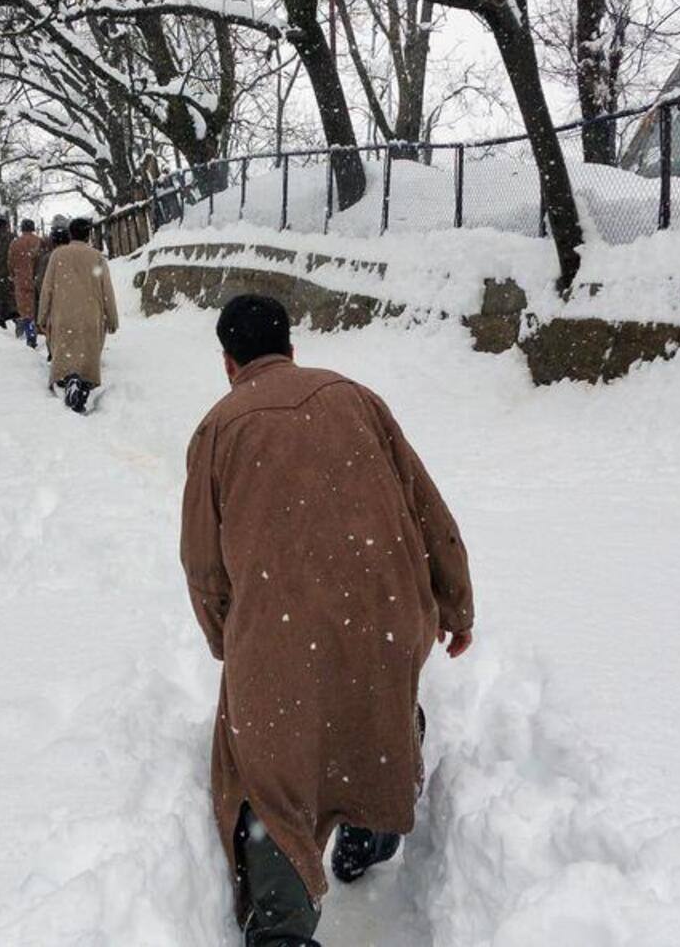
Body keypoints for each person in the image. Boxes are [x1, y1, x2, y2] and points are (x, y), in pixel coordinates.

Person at [179, 294, 474, 947]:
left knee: (264, 765)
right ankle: (370, 825)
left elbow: (202, 563)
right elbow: (427, 508)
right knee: (374, 706)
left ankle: (283, 924)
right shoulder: (357, 399)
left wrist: (229, 633)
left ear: (229, 363)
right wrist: (455, 601)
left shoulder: (219, 428)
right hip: (385, 610)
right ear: (292, 348)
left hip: (282, 628)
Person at [35, 218, 120, 413]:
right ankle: (82, 384)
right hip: (91, 315)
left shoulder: (57, 255)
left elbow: (47, 288)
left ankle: (69, 380)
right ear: (88, 235)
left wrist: (42, 316)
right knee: (87, 359)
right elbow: (107, 290)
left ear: (71, 234)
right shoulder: (97, 257)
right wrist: (112, 318)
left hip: (63, 316)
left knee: (65, 357)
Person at [9, 219, 44, 348]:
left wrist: (14, 276)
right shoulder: (40, 242)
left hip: (22, 280)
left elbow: (11, 264)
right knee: (41, 307)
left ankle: (31, 335)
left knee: (26, 310)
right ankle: (45, 333)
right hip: (40, 280)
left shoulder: (15, 244)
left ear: (22, 228)